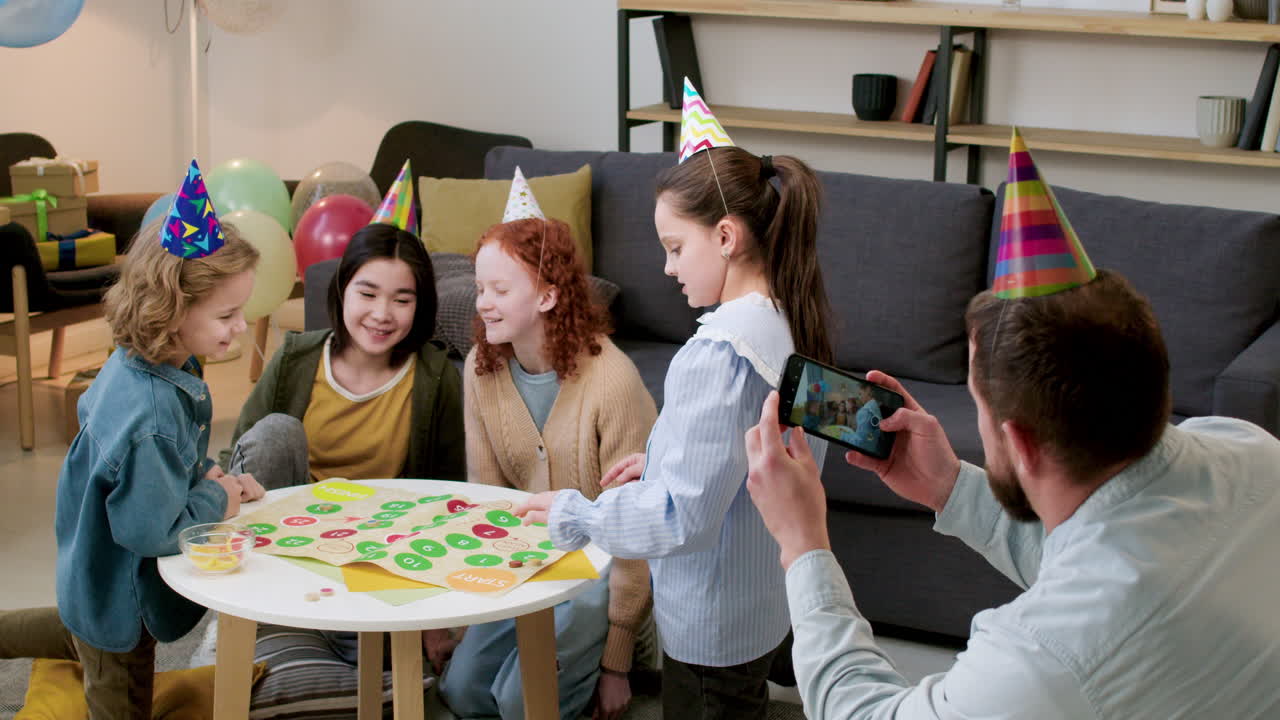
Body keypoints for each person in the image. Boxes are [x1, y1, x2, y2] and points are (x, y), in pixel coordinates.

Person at [742, 132, 1280, 719]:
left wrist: (803, 544)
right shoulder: (1252, 450)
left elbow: (864, 713)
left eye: (976, 401)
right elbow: (1104, 554)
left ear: (1020, 440)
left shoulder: (1042, 660)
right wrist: (950, 486)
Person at [515, 82, 833, 719]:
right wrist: (660, 459)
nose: (667, 268)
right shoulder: (786, 321)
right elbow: (747, 459)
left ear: (725, 237)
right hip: (760, 602)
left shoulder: (717, 353)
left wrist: (573, 513)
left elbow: (681, 520)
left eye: (674, 247)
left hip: (711, 625)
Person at [0, 160, 266, 719]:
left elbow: (157, 473)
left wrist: (206, 479)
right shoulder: (151, 415)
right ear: (172, 310)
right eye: (228, 314)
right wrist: (218, 499)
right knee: (114, 678)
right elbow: (149, 531)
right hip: (119, 603)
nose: (241, 327)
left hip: (88, 569)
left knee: (74, 623)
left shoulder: (139, 360)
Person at [216, 170, 467, 711]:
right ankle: (259, 625)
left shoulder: (437, 376)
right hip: (286, 552)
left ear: (419, 305)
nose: (382, 314)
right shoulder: (295, 358)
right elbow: (239, 457)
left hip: (378, 561)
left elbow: (448, 498)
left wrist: (435, 621)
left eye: (402, 299)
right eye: (368, 293)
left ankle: (334, 666)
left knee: (397, 682)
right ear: (341, 289)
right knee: (277, 432)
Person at [439, 171, 656, 720]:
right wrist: (469, 610)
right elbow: (487, 499)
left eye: (500, 290)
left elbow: (636, 530)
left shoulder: (613, 382)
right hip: (527, 557)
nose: (482, 303)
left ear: (548, 295)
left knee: (520, 703)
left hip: (599, 565)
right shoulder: (480, 370)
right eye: (480, 286)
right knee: (461, 692)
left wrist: (616, 663)